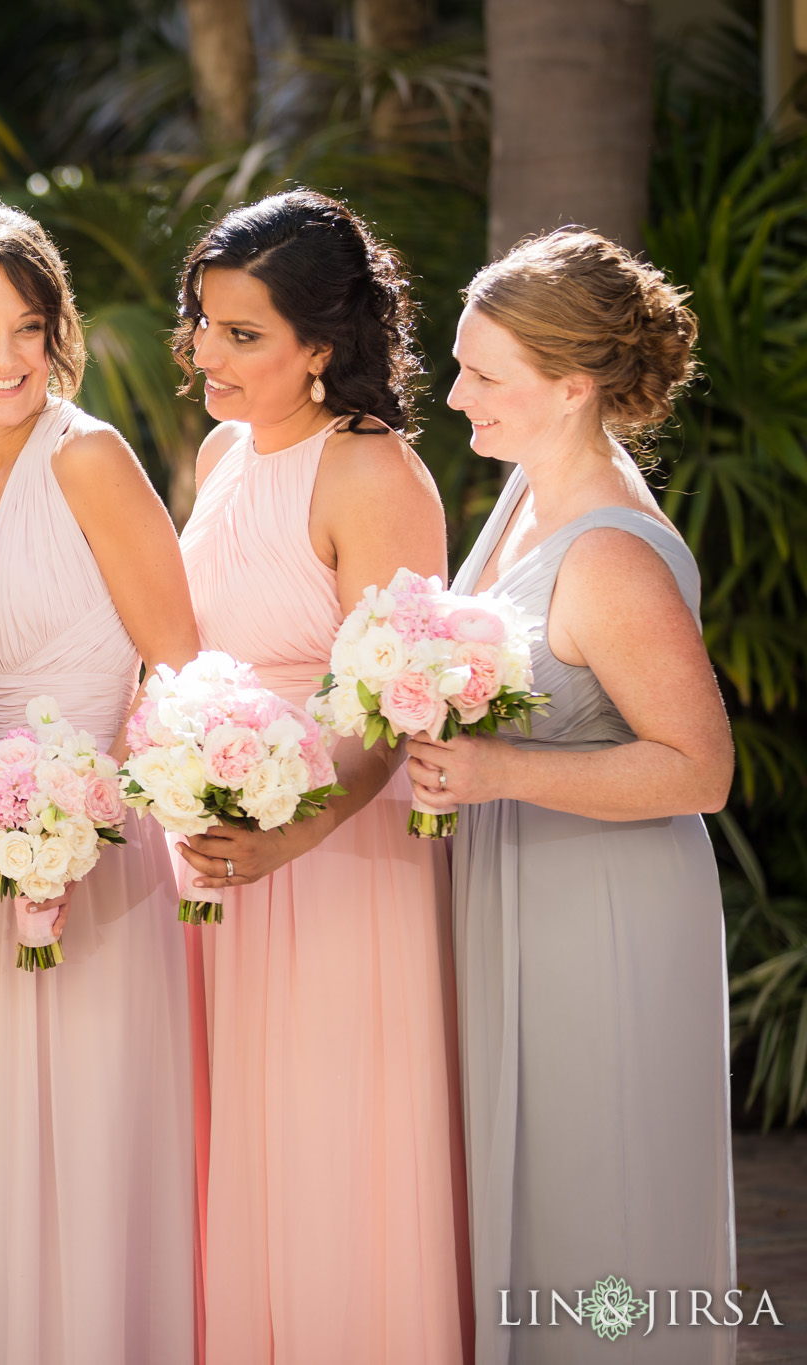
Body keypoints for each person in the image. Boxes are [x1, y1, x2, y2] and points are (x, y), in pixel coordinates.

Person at [408, 229, 734, 1365]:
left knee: (600, 1195)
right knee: (535, 1194)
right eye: (460, 365)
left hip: (600, 913)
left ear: (572, 385)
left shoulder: (609, 556)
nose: (455, 397)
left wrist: (492, 770)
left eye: (484, 376)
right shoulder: (517, 504)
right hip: (519, 885)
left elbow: (698, 767)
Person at [171, 189, 468, 1364]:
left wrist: (292, 834)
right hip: (222, 843)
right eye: (202, 321)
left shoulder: (371, 476)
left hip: (338, 857)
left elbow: (394, 702)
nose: (206, 350)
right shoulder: (220, 451)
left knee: (332, 1142)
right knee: (241, 1143)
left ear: (321, 349)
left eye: (243, 334)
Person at [0, 205, 199, 1364]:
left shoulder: (89, 456)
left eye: (26, 328)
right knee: (5, 1136)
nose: (3, 358)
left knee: (91, 1122)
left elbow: (174, 658)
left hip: (101, 844)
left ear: (56, 331)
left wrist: (85, 815)